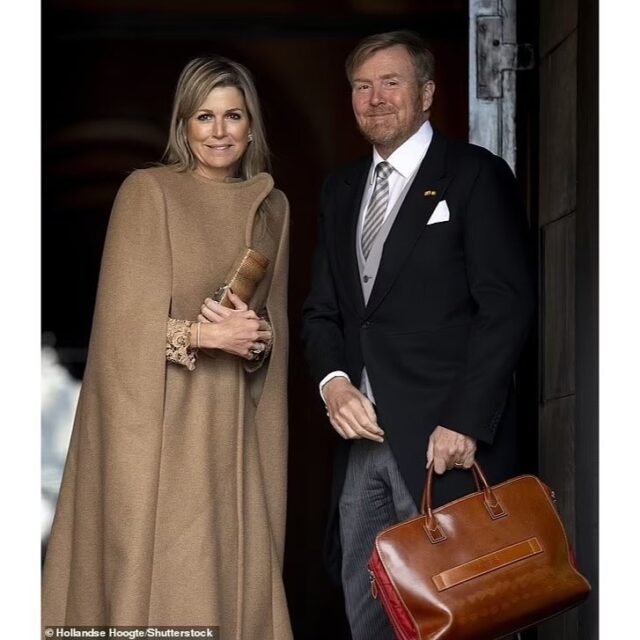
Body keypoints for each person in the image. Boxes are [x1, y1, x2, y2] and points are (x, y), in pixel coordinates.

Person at [42, 56, 293, 640]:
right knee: (157, 592)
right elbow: (118, 333)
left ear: (251, 125)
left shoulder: (273, 209)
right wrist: (206, 335)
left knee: (230, 589)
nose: (220, 131)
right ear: (183, 126)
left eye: (233, 115)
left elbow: (272, 328)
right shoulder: (147, 192)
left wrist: (255, 339)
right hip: (158, 435)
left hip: (231, 436)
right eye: (204, 117)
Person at [302, 31, 535, 639]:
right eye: (362, 86)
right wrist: (333, 384)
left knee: (463, 620)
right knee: (369, 617)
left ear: (427, 93)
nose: (375, 98)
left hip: (447, 443)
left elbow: (506, 307)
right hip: (363, 448)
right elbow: (323, 311)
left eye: (391, 82)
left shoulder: (476, 175)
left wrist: (465, 421)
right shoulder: (340, 190)